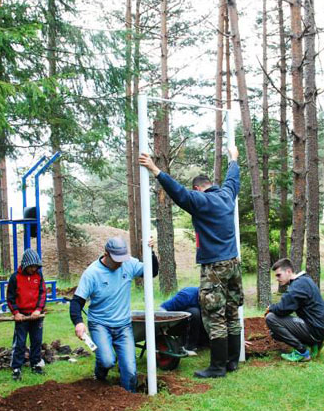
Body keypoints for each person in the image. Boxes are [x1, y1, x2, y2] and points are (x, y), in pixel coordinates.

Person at [139, 144, 243, 378]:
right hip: (234, 265)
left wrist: (155, 170)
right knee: (232, 311)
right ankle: (232, 361)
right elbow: (232, 177)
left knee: (214, 313)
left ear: (197, 188)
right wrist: (233, 158)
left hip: (215, 266)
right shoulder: (227, 195)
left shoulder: (201, 201)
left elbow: (179, 193)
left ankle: (217, 367)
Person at [70, 237, 158, 392]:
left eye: (122, 259)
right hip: (100, 324)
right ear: (106, 254)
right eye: (116, 260)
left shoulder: (128, 263)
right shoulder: (92, 273)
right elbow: (76, 302)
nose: (120, 263)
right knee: (107, 361)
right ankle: (100, 373)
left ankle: (128, 398)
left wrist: (151, 253)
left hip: (123, 326)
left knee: (130, 372)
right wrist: (78, 322)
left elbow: (152, 272)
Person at [265, 258, 324, 362]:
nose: (277, 279)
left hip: (316, 330)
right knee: (276, 331)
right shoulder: (304, 280)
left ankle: (302, 352)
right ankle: (314, 345)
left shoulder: (298, 286)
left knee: (271, 318)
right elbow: (287, 306)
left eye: (279, 275)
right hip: (320, 328)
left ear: (288, 271)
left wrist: (270, 308)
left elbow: (282, 309)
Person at [7, 248, 47, 381]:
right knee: (20, 342)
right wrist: (16, 313)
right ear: (25, 265)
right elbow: (11, 298)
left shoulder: (39, 276)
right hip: (22, 316)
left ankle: (35, 363)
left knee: (36, 340)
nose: (34, 269)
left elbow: (42, 294)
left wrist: (38, 309)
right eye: (31, 267)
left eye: (36, 266)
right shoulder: (15, 278)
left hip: (36, 315)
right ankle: (16, 367)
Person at [159, 286, 208, 356]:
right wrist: (163, 329)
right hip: (175, 325)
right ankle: (188, 347)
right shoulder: (187, 295)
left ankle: (203, 343)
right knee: (194, 312)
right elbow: (163, 309)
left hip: (196, 326)